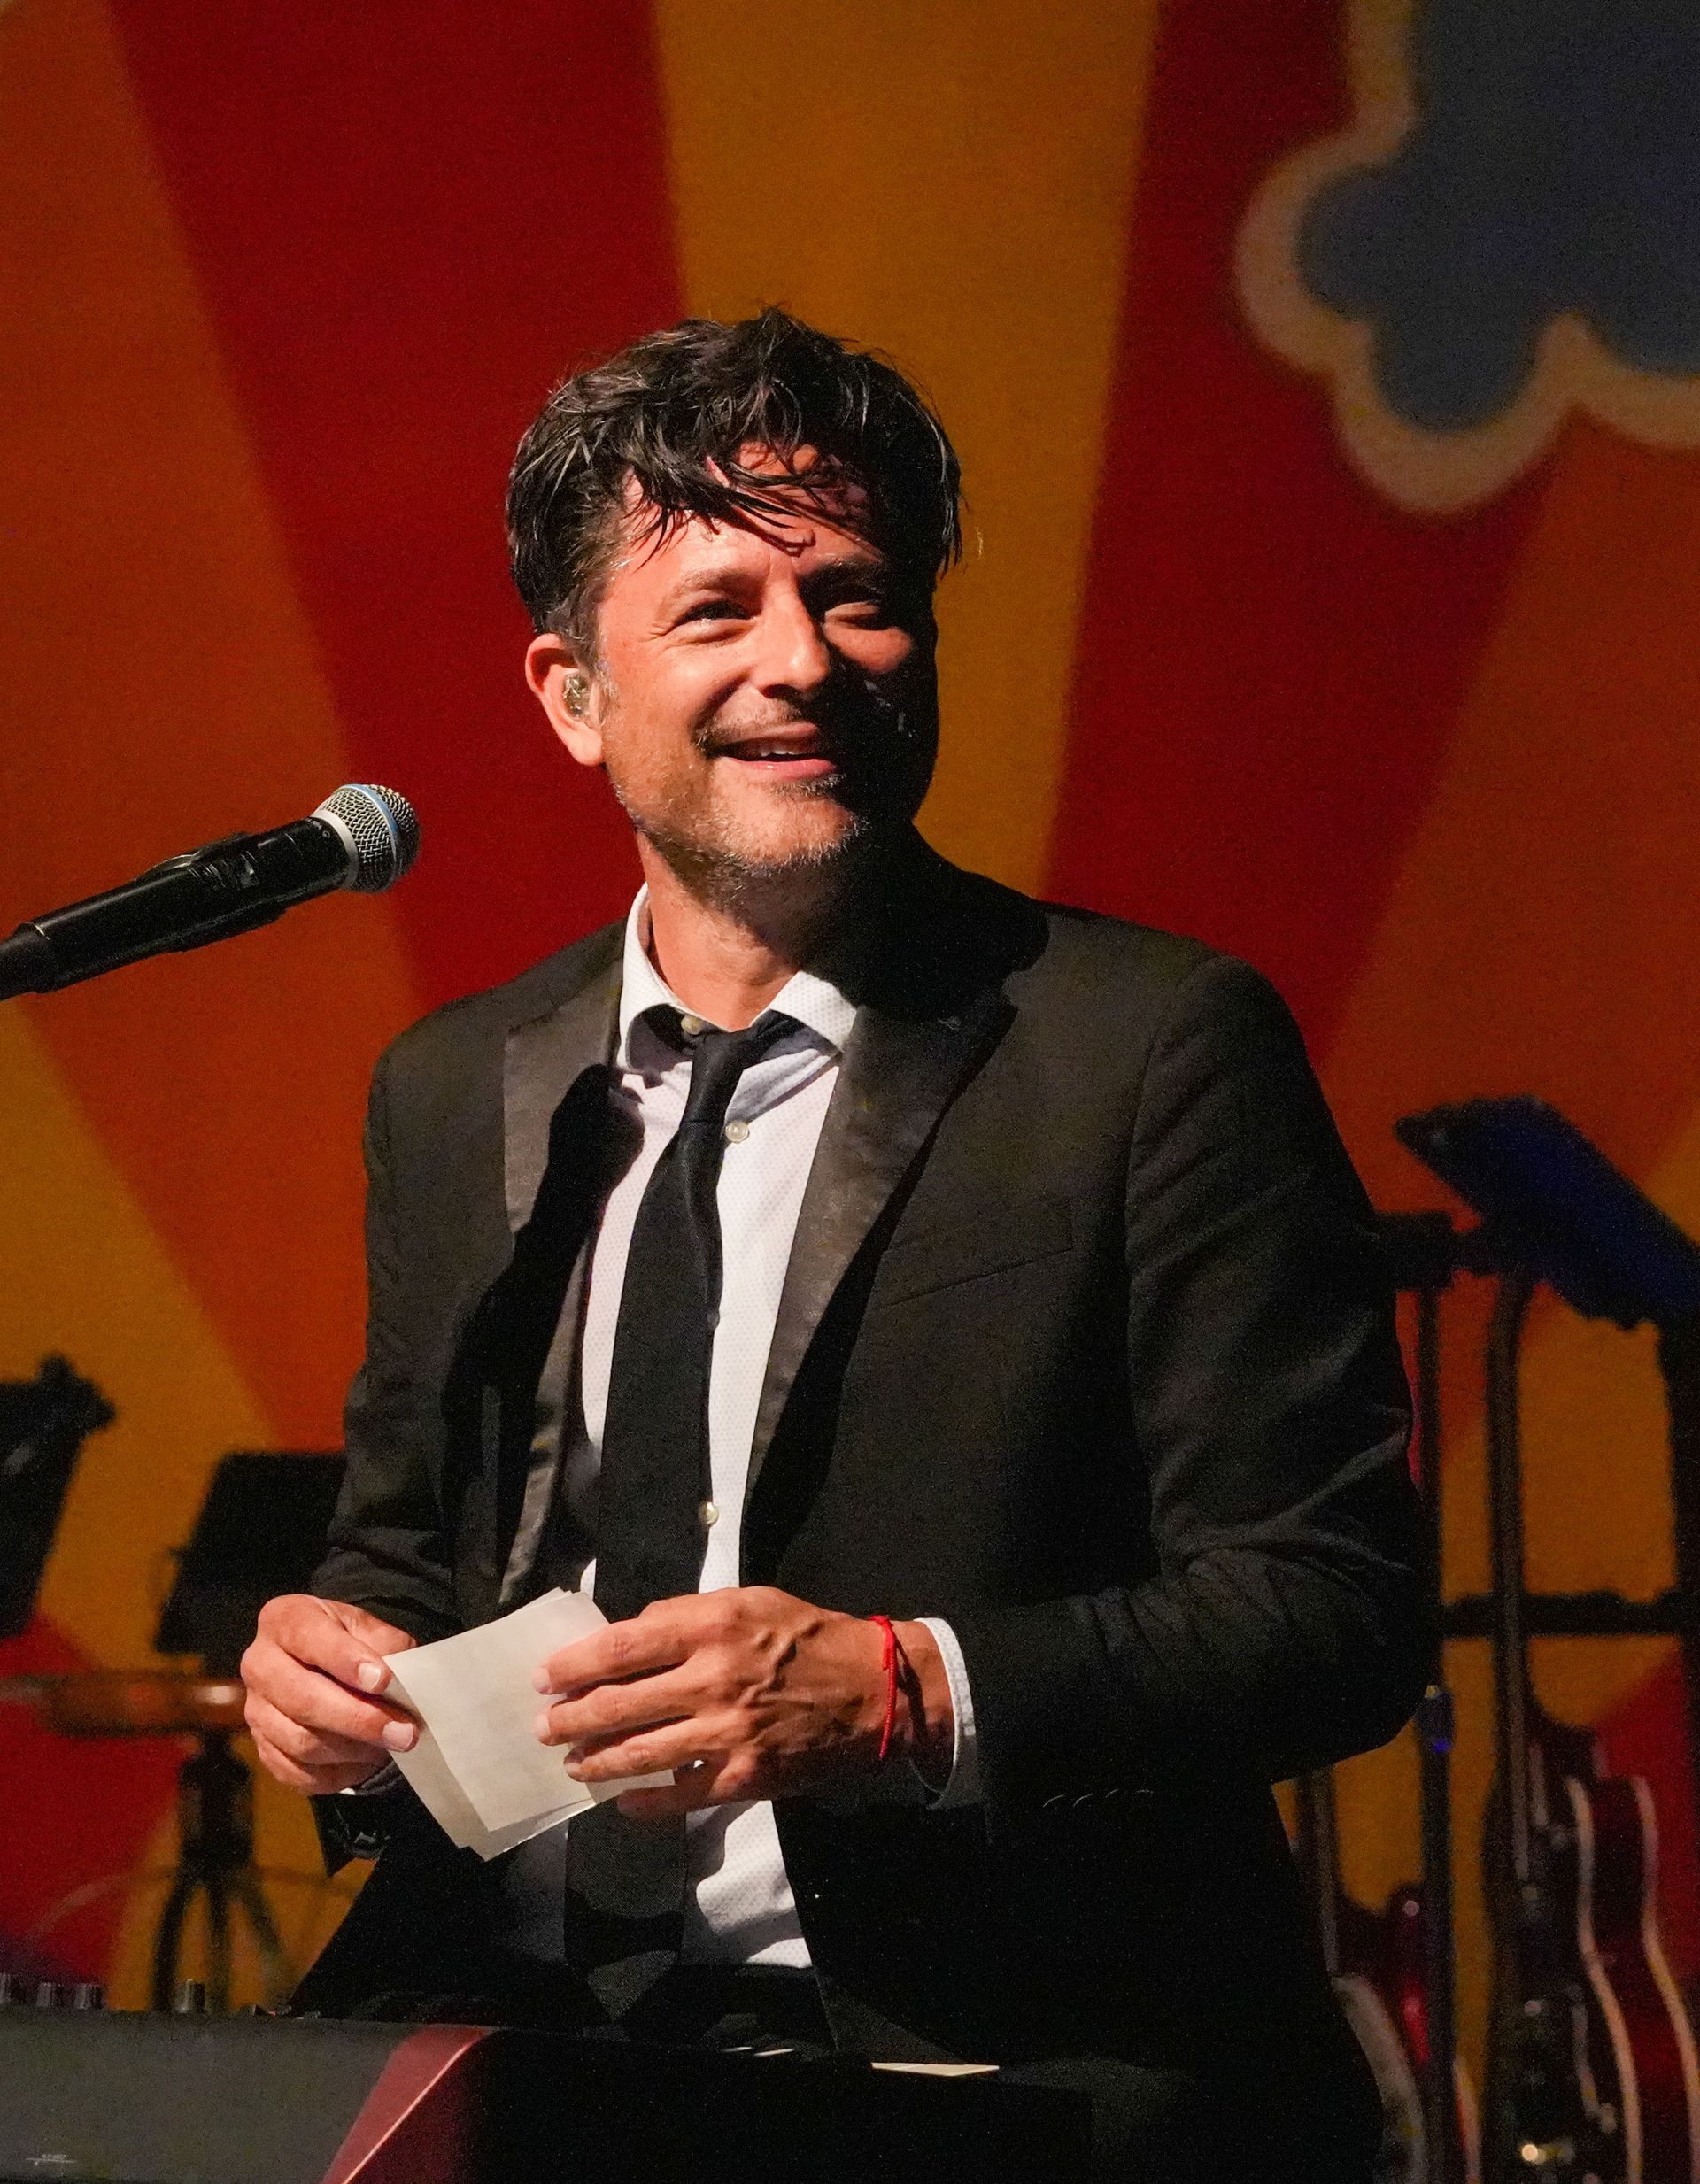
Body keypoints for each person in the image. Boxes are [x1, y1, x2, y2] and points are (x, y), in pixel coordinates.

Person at [241, 309, 1432, 2179]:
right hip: (524, 2053)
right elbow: (400, 1552)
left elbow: (1334, 1604)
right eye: (718, 609)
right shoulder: (450, 1082)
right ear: (568, 693)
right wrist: (330, 1672)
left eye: (860, 600)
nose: (804, 662)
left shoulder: (1151, 1044)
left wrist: (901, 1691)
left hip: (1000, 2069)